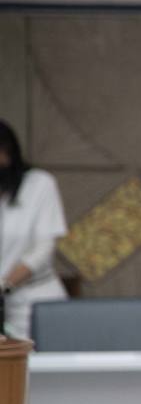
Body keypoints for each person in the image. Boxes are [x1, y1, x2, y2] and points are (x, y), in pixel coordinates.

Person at [0, 119, 69, 341]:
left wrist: (5, 285)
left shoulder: (39, 184)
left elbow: (43, 248)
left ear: (8, 153)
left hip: (35, 301)